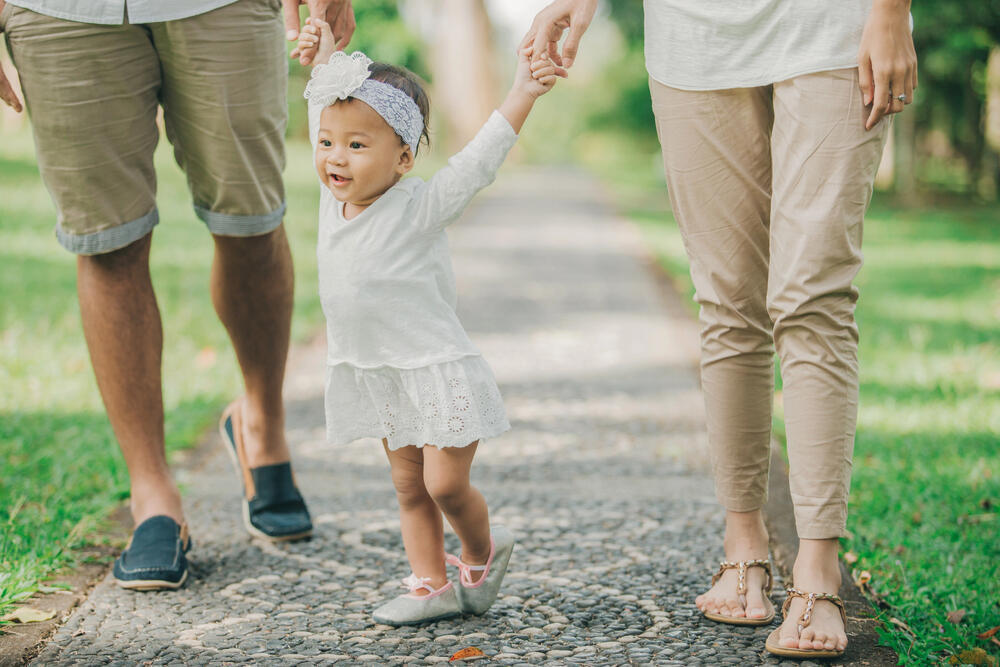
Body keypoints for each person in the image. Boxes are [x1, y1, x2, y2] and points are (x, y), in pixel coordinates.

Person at [523, 0, 916, 659]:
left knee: (812, 296)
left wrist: (892, 10)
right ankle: (744, 548)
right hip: (693, 33)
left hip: (831, 25)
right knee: (729, 300)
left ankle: (818, 568)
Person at [0, 0, 353, 590]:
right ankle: (153, 495)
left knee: (250, 223)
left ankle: (260, 422)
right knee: (107, 241)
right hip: (58, 11)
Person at [292, 18, 557, 625]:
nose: (336, 157)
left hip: (436, 372)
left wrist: (522, 90)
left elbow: (479, 161)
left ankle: (481, 552)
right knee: (408, 487)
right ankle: (430, 584)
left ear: (403, 158)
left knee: (443, 485)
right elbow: (323, 110)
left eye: (358, 146)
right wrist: (325, 56)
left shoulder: (419, 207)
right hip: (381, 373)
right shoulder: (336, 203)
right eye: (329, 144)